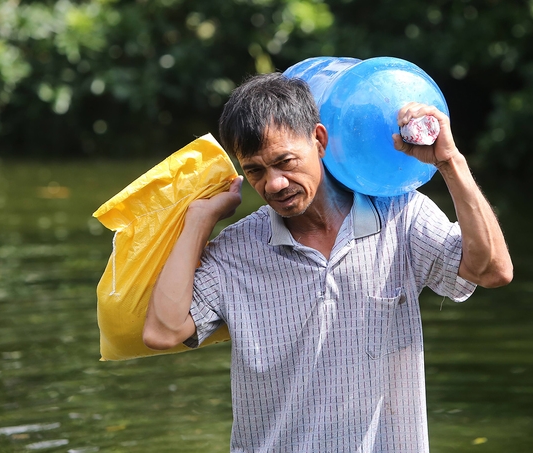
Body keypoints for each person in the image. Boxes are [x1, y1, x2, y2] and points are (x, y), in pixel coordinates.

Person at [142, 73, 513, 452]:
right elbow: (163, 332)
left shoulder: (399, 214)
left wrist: (450, 163)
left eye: (284, 162)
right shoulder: (236, 252)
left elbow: (493, 270)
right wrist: (198, 223)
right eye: (255, 170)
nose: (274, 184)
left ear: (318, 140)